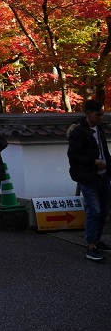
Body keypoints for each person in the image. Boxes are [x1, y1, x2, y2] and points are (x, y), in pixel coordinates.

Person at [66, 100, 110, 261]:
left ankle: (97, 240)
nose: (101, 117)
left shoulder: (99, 128)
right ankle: (91, 246)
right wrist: (94, 162)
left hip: (103, 175)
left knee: (104, 211)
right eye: (98, 114)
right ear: (88, 114)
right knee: (94, 211)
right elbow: (73, 156)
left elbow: (104, 150)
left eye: (102, 114)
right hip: (88, 176)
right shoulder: (78, 132)